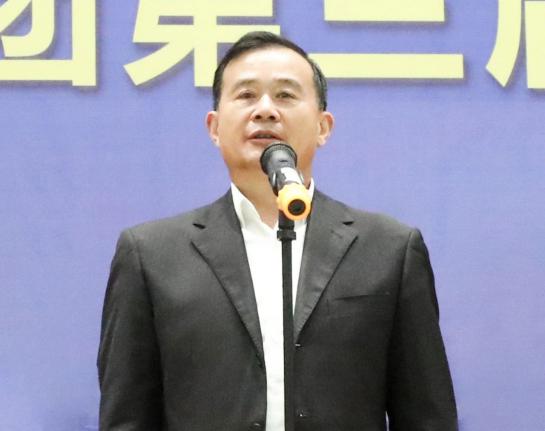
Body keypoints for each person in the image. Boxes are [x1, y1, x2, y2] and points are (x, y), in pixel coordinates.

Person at [98, 31, 458, 431]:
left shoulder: (389, 249)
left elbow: (427, 417)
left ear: (323, 126)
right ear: (214, 127)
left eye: (285, 95)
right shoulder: (151, 255)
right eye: (246, 95)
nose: (265, 110)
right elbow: (127, 418)